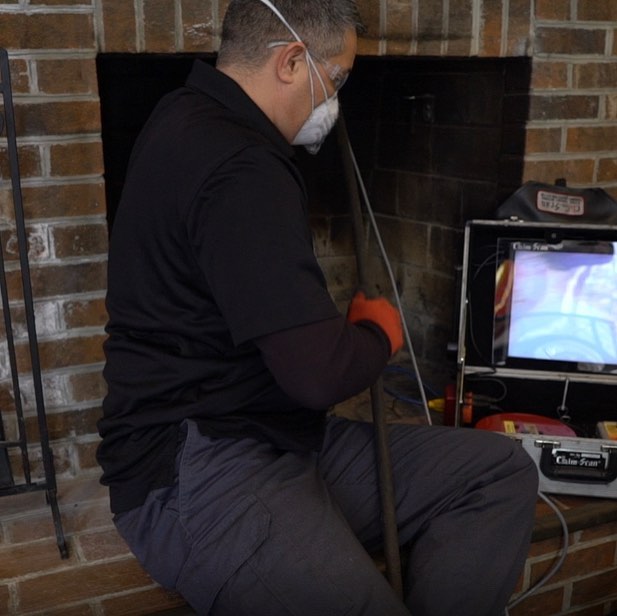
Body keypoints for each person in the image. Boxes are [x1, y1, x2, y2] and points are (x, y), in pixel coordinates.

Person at [96, 0, 539, 614]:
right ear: (291, 61)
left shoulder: (185, 113)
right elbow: (318, 375)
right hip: (199, 469)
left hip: (274, 434)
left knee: (495, 474)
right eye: (336, 78)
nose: (335, 98)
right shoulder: (239, 166)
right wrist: (376, 334)